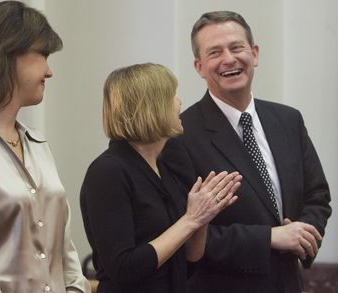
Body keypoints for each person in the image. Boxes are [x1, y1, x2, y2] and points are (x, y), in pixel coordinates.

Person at [161, 11, 332, 293]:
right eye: (215, 52)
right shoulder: (180, 136)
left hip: (289, 284)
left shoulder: (288, 120)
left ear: (254, 54)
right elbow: (184, 233)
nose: (229, 59)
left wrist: (301, 232)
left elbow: (318, 195)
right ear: (199, 67)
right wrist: (270, 237)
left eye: (236, 47)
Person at [0, 2, 90, 292]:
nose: (49, 71)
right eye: (43, 55)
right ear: (7, 54)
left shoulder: (37, 145)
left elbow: (64, 251)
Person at [80, 63, 242, 293]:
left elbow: (188, 264)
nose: (179, 103)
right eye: (172, 95)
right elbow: (123, 268)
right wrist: (190, 220)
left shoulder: (166, 166)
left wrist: (204, 217)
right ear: (151, 107)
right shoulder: (108, 172)